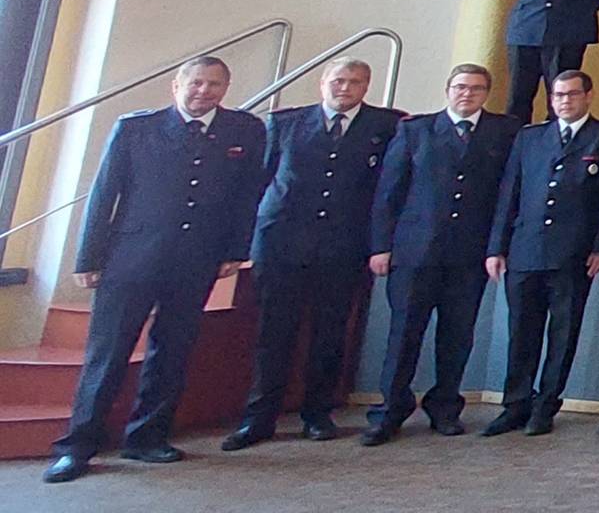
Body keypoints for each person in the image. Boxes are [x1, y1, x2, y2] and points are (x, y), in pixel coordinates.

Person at [44, 57, 268, 485]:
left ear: (226, 88)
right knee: (108, 354)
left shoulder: (245, 130)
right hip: (131, 258)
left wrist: (235, 251)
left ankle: (147, 436)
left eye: (214, 84)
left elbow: (247, 195)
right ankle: (77, 447)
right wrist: (89, 258)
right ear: (176, 86)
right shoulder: (136, 128)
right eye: (196, 83)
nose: (204, 91)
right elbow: (104, 192)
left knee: (173, 350)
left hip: (197, 258)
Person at [226, 57, 398, 450]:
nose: (345, 88)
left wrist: (379, 243)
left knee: (330, 334)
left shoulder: (386, 126)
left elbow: (386, 191)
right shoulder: (285, 123)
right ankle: (259, 418)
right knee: (273, 333)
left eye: (355, 82)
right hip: (281, 243)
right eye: (338, 80)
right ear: (323, 83)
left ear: (366, 86)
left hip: (343, 246)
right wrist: (243, 242)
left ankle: (317, 414)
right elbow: (258, 183)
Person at [363, 65, 518, 446]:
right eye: (460, 87)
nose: (467, 94)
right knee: (404, 334)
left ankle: (445, 408)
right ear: (448, 90)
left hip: (469, 254)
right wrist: (381, 246)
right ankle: (389, 411)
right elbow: (389, 192)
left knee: (457, 336)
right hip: (414, 252)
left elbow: (507, 196)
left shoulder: (504, 133)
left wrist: (496, 247)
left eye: (476, 89)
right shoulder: (415, 130)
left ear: (486, 93)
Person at [481, 70, 599, 437]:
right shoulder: (530, 137)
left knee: (563, 334)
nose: (564, 101)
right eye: (558, 95)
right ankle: (515, 404)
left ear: (588, 96)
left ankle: (546, 405)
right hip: (525, 249)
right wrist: (497, 246)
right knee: (521, 332)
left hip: (573, 253)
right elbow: (510, 193)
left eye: (572, 94)